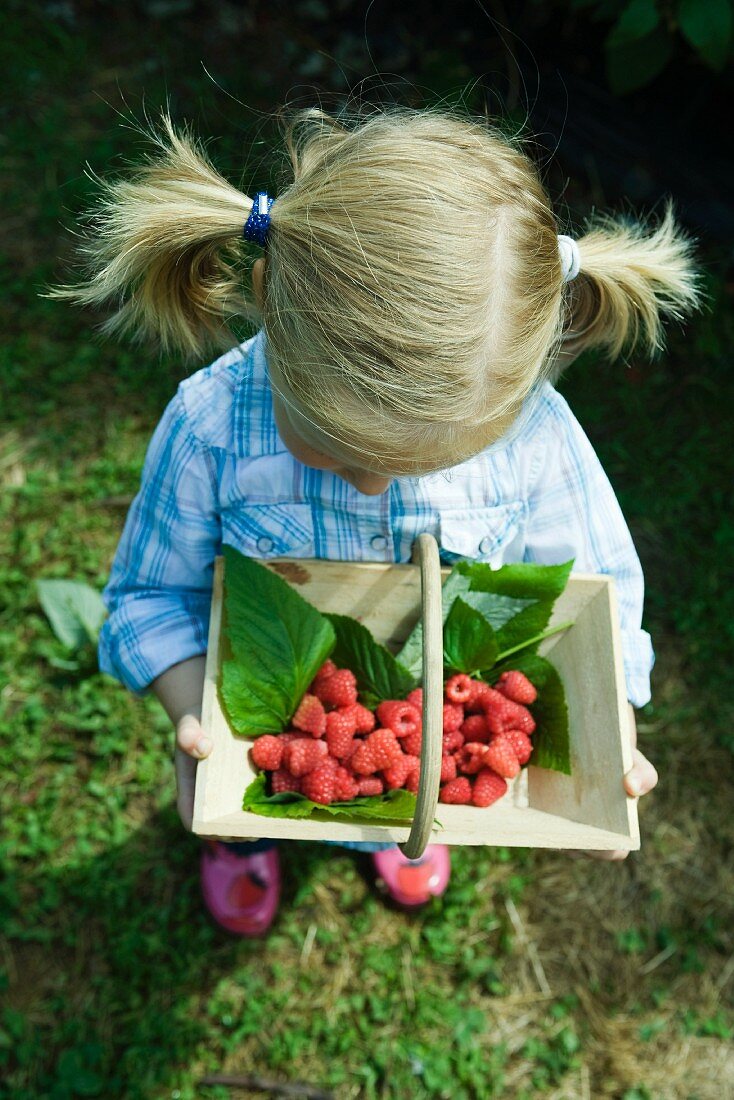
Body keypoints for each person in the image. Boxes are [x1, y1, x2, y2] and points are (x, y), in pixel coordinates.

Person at [50, 105, 700, 936]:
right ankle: (246, 838)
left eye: (417, 466)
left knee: (392, 786)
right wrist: (195, 718)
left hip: (424, 736)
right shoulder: (211, 429)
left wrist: (615, 735)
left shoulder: (535, 437)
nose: (367, 484)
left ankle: (403, 825)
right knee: (261, 796)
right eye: (331, 447)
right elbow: (148, 597)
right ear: (266, 302)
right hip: (270, 723)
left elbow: (599, 600)